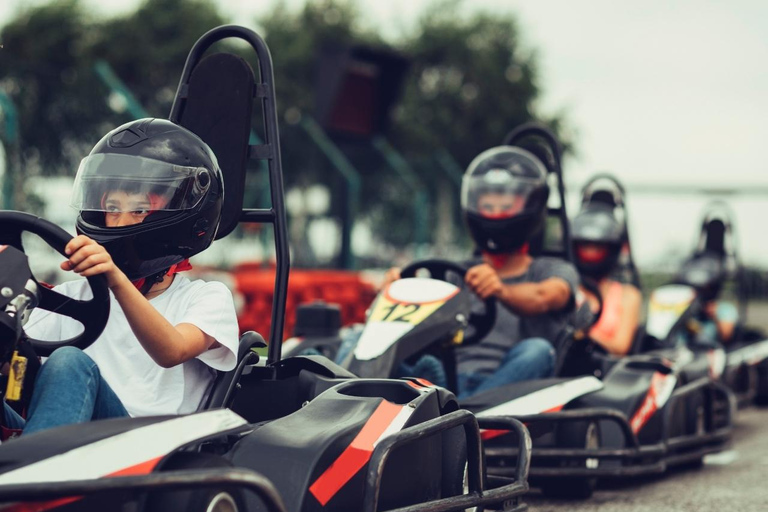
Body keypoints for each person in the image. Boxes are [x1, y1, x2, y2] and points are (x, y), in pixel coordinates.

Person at [7, 118, 239, 435]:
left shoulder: (206, 298)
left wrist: (115, 279)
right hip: (67, 437)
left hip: (148, 453)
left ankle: (35, 481)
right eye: (112, 207)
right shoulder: (73, 297)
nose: (119, 222)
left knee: (69, 363)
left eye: (139, 209)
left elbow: (172, 351)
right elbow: (18, 356)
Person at [380, 146, 579, 399]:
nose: (495, 212)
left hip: (509, 382)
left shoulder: (553, 269)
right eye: (487, 205)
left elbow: (545, 296)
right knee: (378, 345)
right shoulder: (455, 274)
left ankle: (456, 411)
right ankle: (439, 398)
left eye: (505, 206)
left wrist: (501, 290)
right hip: (450, 373)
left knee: (538, 351)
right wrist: (396, 291)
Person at [571, 190, 641, 356]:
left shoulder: (628, 295)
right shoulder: (566, 289)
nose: (590, 253)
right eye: (585, 246)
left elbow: (620, 347)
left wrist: (584, 333)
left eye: (597, 247)